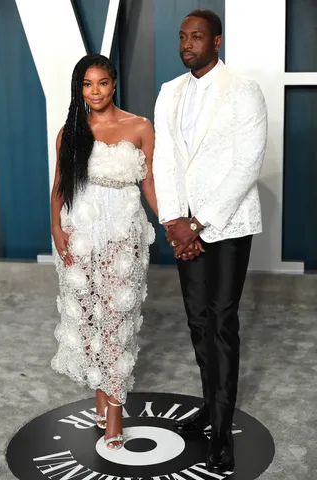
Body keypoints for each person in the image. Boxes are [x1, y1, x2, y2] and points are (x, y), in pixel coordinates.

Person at [153, 9, 267, 473]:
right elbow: (163, 159)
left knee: (222, 323)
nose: (187, 44)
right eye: (182, 37)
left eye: (196, 36)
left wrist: (197, 224)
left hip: (229, 225)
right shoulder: (169, 91)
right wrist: (173, 220)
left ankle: (221, 432)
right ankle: (208, 407)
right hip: (184, 227)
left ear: (216, 42)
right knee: (198, 322)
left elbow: (247, 163)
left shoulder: (242, 88)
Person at [50, 54, 157, 451]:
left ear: (114, 84)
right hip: (79, 233)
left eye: (103, 83)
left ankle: (115, 410)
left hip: (123, 236)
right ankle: (100, 392)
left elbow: (150, 187)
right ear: (79, 89)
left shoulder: (140, 127)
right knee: (90, 319)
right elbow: (60, 184)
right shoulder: (71, 131)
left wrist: (176, 225)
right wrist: (56, 228)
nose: (95, 92)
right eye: (87, 84)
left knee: (117, 320)